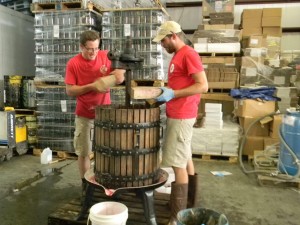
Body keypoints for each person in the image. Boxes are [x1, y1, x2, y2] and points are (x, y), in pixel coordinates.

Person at [152, 21, 208, 224]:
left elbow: (203, 85)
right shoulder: (177, 56)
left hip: (183, 114)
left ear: (173, 35)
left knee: (178, 165)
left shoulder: (189, 54)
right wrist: (167, 91)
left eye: (164, 41)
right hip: (178, 113)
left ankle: (177, 217)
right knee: (185, 157)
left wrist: (174, 93)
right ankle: (189, 203)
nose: (162, 45)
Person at [65, 30, 126, 198]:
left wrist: (118, 74)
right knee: (84, 152)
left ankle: (105, 182)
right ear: (81, 47)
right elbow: (70, 90)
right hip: (84, 114)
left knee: (107, 150)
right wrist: (92, 86)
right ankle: (86, 186)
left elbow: (121, 74)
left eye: (96, 48)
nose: (94, 53)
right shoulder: (73, 64)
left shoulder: (105, 56)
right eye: (90, 49)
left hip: (105, 114)